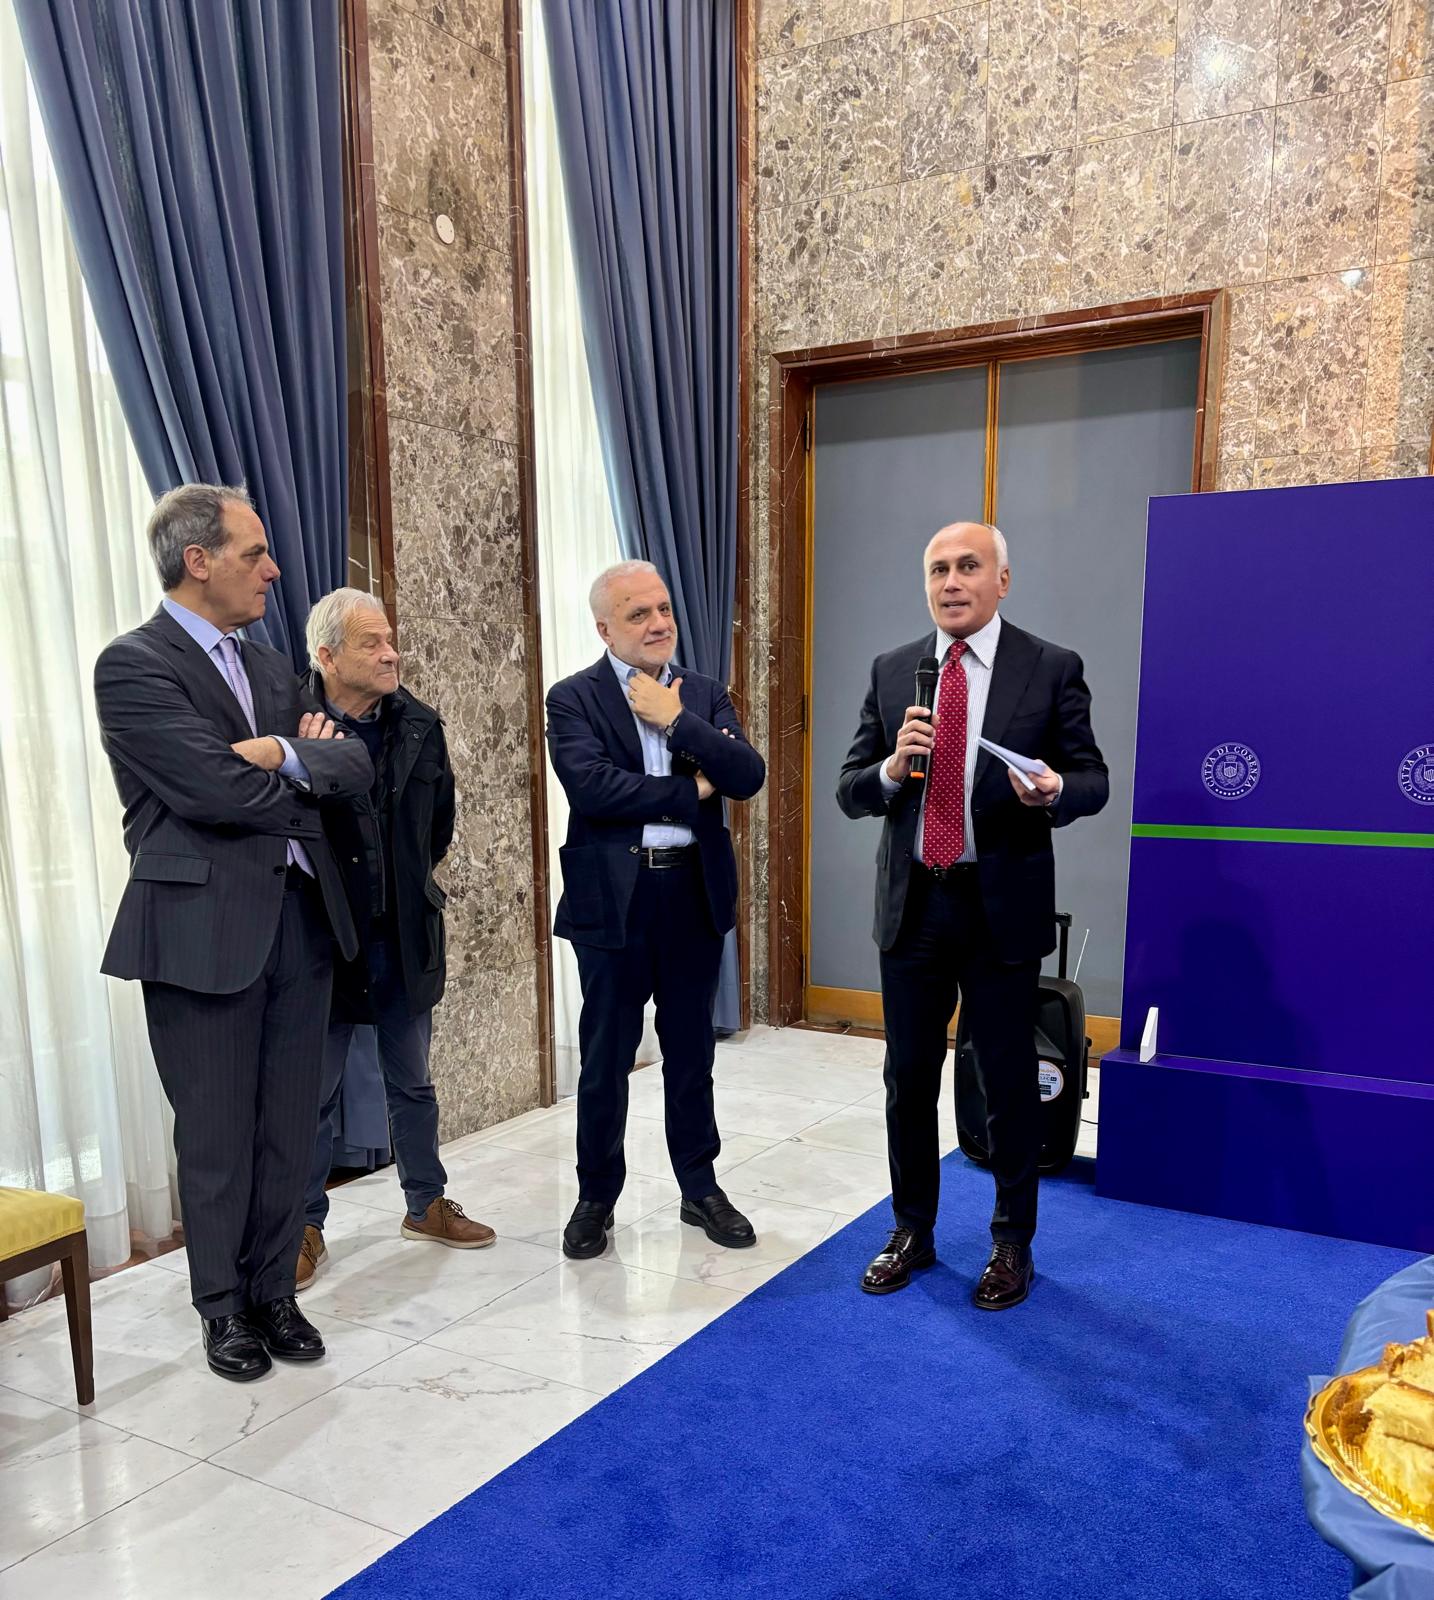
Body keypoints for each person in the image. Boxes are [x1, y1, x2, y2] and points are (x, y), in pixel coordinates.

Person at [94, 484, 372, 1381]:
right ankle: (223, 1309)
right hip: (199, 931)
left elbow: (353, 762)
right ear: (198, 560)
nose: (273, 569)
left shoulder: (270, 668)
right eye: (255, 554)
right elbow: (211, 790)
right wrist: (298, 771)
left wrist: (284, 753)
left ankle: (274, 1294)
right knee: (216, 1138)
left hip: (301, 922)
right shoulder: (132, 665)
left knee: (292, 1130)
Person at [837, 521, 1108, 1309]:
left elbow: (1092, 779)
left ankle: (1011, 1242)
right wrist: (891, 769)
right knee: (907, 1078)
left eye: (967, 566)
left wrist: (1055, 791)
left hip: (1000, 908)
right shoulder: (895, 670)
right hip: (914, 906)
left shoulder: (1050, 667)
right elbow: (851, 787)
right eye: (937, 570)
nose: (950, 582)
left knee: (1008, 1081)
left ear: (1002, 580)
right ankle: (911, 1230)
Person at [546, 561, 766, 1259]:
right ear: (605, 628)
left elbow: (746, 775)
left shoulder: (702, 694)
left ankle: (699, 1188)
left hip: (690, 894)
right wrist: (691, 791)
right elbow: (593, 789)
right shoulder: (572, 698)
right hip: (614, 899)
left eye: (663, 608)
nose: (658, 623)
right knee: (605, 1057)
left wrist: (679, 723)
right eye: (638, 613)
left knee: (691, 1052)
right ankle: (595, 1197)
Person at [295, 588, 494, 1290]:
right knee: (312, 1096)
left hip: (403, 937)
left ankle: (425, 1204)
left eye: (390, 640)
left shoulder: (419, 724)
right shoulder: (292, 725)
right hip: (319, 939)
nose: (391, 654)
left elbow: (438, 829)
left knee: (413, 1083)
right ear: (327, 656)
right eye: (371, 643)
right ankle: (303, 1226)